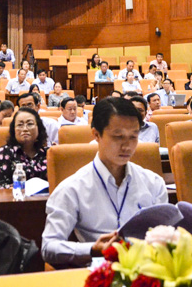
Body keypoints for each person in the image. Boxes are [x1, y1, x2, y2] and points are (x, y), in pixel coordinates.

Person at [41, 97, 168, 266]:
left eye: (133, 137)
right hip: (99, 271)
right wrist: (92, 249)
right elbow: (49, 247)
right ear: (96, 135)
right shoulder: (72, 188)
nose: (127, 146)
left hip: (146, 270)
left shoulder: (154, 183)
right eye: (118, 137)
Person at [0, 107, 49, 189]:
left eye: (30, 124)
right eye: (20, 125)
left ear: (38, 128)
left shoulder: (48, 153)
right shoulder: (6, 153)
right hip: (15, 196)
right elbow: (0, 186)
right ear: (14, 130)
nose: (25, 129)